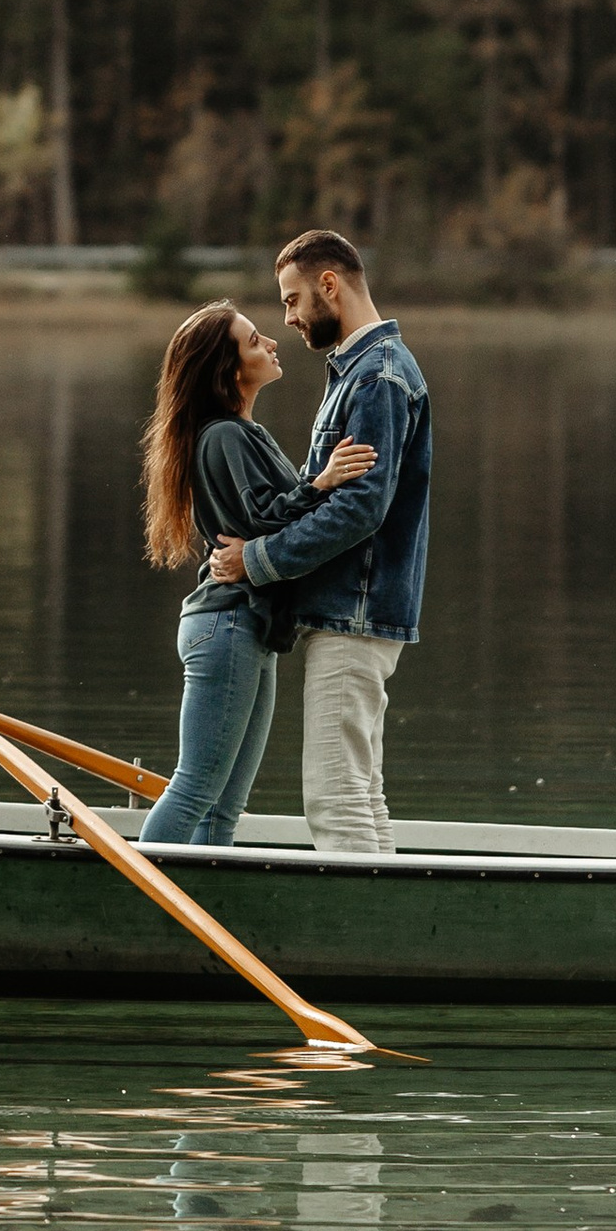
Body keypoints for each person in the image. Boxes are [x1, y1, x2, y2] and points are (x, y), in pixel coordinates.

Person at [206, 228, 432, 856]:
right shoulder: (362, 371)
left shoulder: (376, 378)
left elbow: (361, 508)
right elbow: (336, 493)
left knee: (335, 800)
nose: (289, 318)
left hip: (352, 613)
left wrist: (256, 561)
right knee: (362, 795)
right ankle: (389, 936)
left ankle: (361, 948)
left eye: (292, 299)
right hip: (356, 612)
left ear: (328, 285)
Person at [135, 301, 377, 849]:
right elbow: (264, 522)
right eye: (252, 340)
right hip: (226, 626)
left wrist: (316, 486)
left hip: (250, 627)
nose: (270, 341)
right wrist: (321, 484)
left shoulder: (244, 433)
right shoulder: (223, 436)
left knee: (224, 806)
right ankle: (138, 896)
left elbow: (266, 524)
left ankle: (199, 908)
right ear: (229, 370)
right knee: (196, 789)